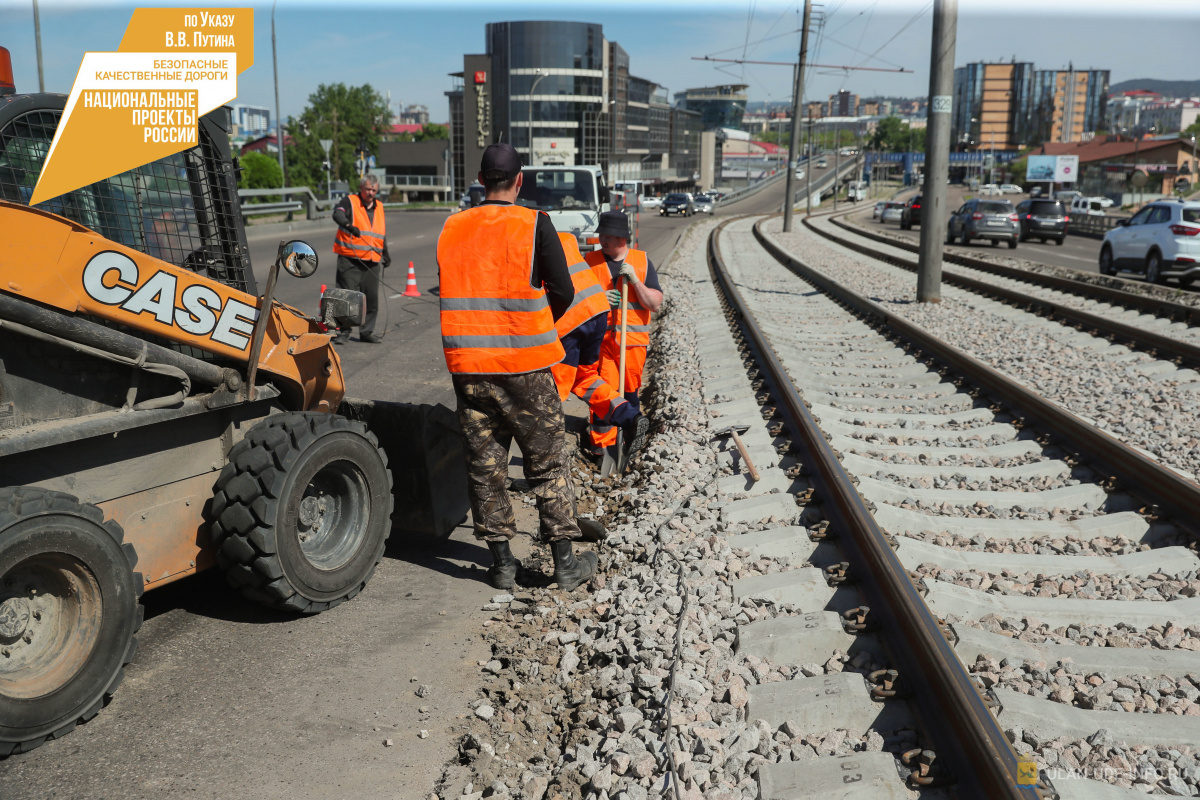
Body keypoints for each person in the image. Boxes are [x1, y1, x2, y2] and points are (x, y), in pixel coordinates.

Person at [437, 143, 596, 592]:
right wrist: (535, 325)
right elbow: (562, 291)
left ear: (482, 180)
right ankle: (564, 565)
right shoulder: (533, 223)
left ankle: (502, 566)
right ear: (519, 180)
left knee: (486, 468)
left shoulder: (452, 227)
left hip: (469, 369)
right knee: (546, 463)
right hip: (525, 365)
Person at [550, 232, 645, 455]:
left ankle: (548, 448)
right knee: (586, 377)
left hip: (571, 320)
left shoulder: (529, 245)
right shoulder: (564, 239)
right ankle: (629, 416)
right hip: (597, 312)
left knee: (552, 385)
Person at [585, 210, 659, 458]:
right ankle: (602, 448)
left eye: (607, 235)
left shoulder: (641, 261)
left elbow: (654, 303)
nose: (602, 240)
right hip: (601, 342)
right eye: (601, 235)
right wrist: (598, 298)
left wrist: (636, 281)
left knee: (629, 393)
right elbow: (576, 299)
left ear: (621, 238)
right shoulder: (590, 261)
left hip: (632, 343)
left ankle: (630, 440)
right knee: (604, 392)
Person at [332, 175, 391, 344]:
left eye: (373, 190)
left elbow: (380, 233)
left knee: (371, 299)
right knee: (347, 297)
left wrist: (385, 253)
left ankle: (367, 332)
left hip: (371, 261)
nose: (370, 193)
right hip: (350, 259)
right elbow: (337, 214)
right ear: (361, 189)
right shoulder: (349, 201)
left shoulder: (379, 207)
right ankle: (344, 332)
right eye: (367, 189)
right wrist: (349, 226)